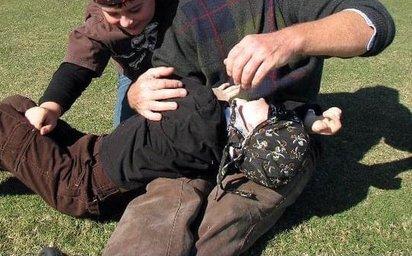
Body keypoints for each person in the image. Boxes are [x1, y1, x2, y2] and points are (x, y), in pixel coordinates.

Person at [106, 0, 395, 256]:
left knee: (225, 220)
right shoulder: (190, 6)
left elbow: (375, 23)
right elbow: (169, 77)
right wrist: (142, 89)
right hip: (203, 134)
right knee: (160, 206)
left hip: (277, 137)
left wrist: (290, 40)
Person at [26, 0, 312, 130]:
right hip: (136, 74)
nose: (125, 21)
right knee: (130, 135)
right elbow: (76, 67)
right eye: (114, 13)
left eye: (135, 9)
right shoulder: (98, 23)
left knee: (204, 116)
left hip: (187, 64)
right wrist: (51, 106)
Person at [0, 77, 342, 218]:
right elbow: (281, 114)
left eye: (269, 114)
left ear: (251, 134)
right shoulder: (230, 120)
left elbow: (192, 93)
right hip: (91, 148)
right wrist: (312, 118)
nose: (267, 100)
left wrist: (219, 95)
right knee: (19, 104)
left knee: (3, 117)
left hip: (79, 184)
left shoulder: (203, 128)